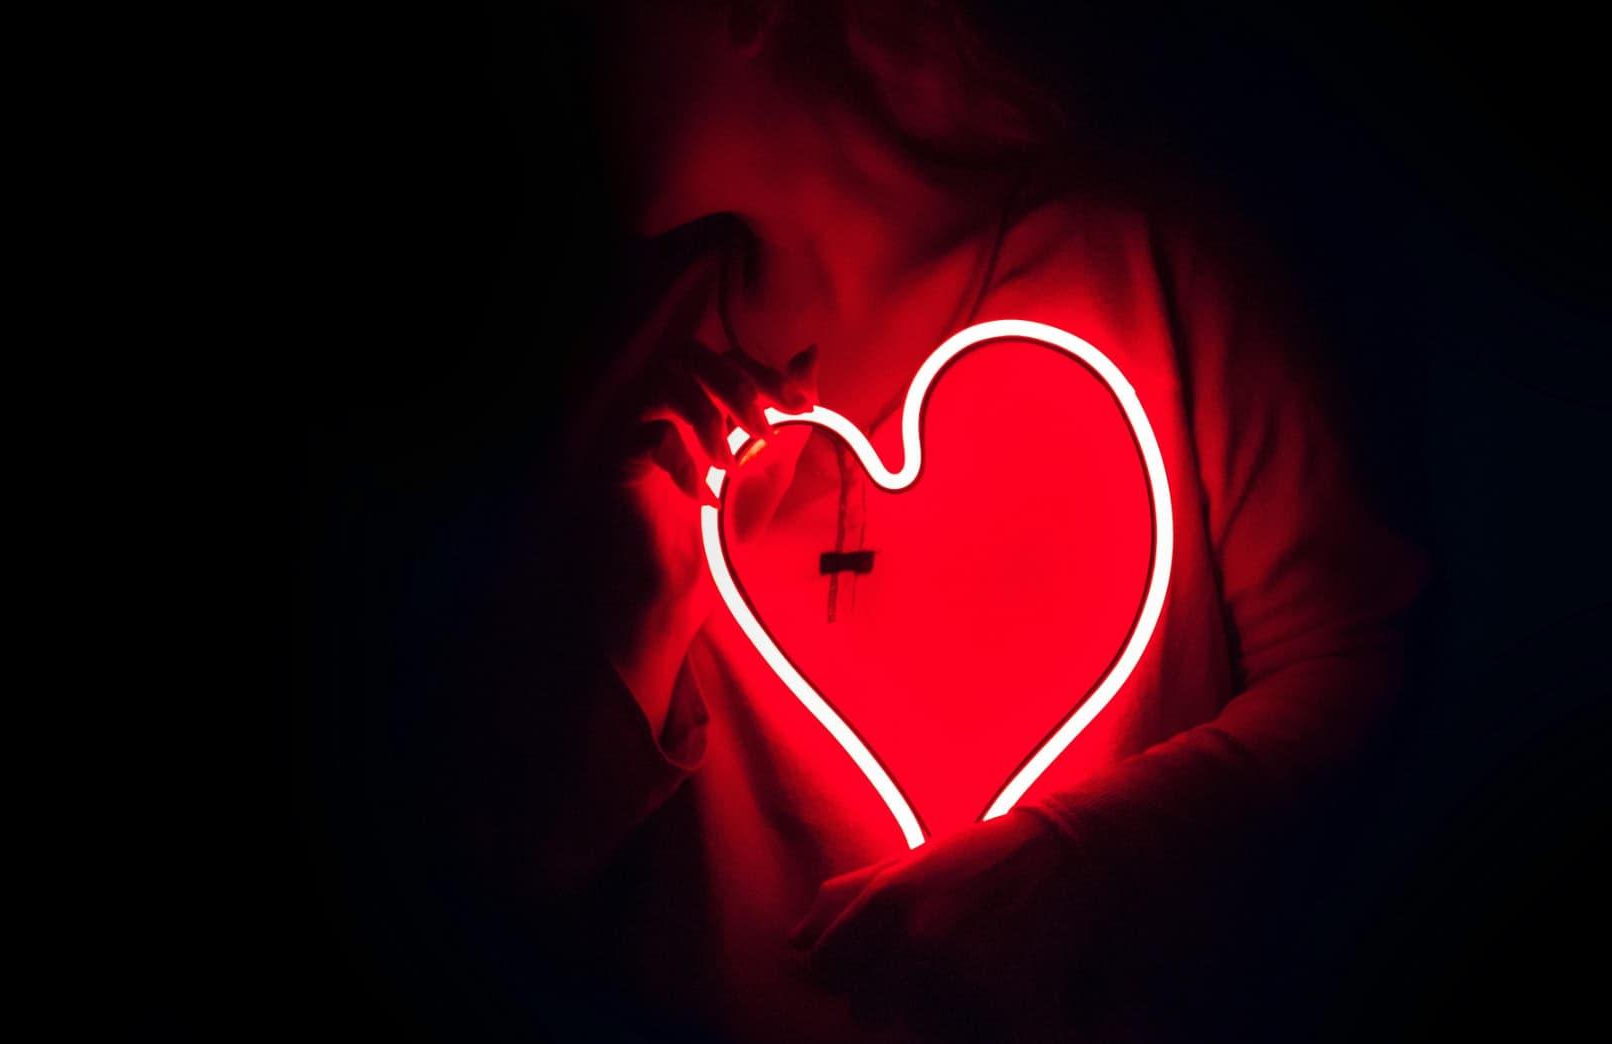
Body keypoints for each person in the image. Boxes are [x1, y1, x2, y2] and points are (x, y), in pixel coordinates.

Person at [392, 2, 1430, 1040]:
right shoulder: (640, 384)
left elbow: (1362, 666)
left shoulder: (1146, 267)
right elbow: (509, 870)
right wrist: (633, 610)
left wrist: (1080, 855)